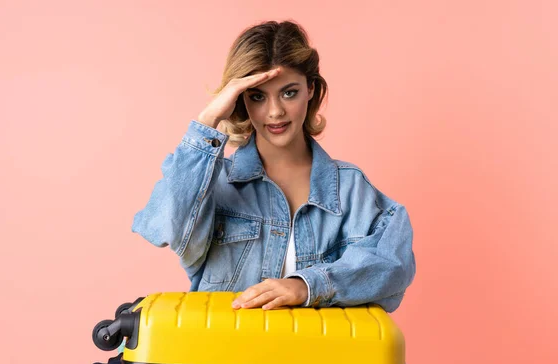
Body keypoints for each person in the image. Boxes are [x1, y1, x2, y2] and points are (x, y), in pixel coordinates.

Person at [132, 20, 416, 313]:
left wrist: (307, 286)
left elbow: (394, 265)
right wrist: (207, 121)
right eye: (257, 96)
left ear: (310, 90)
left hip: (318, 357)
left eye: (289, 92)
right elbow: (167, 228)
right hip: (224, 355)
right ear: (240, 101)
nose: (275, 111)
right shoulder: (214, 184)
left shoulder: (351, 190)